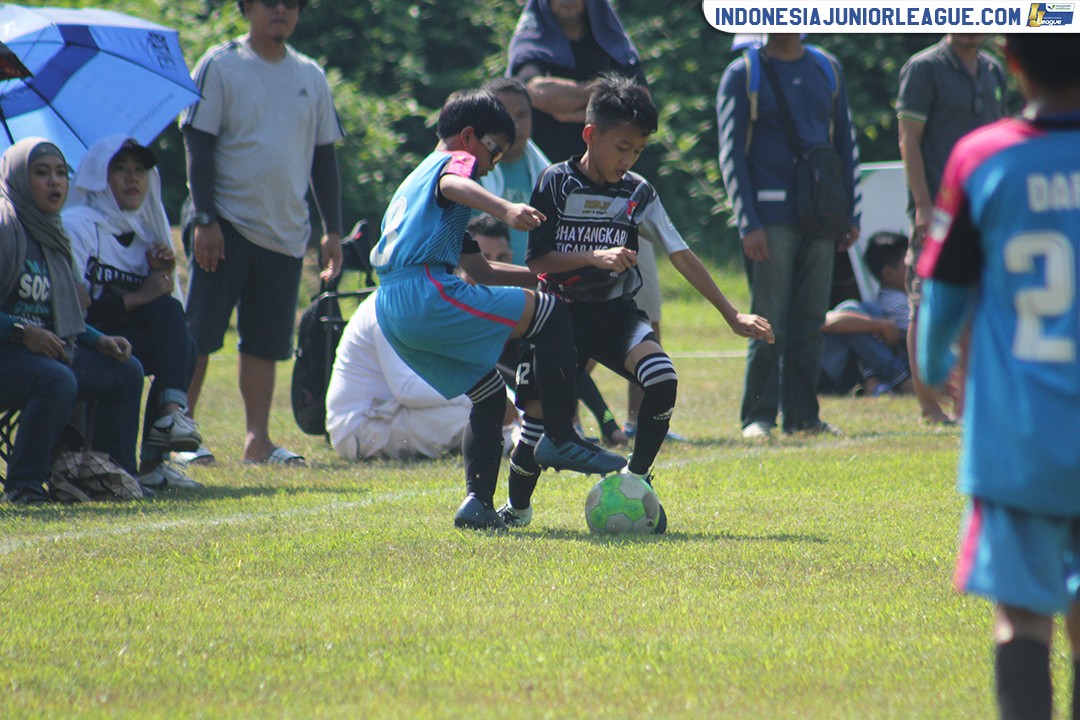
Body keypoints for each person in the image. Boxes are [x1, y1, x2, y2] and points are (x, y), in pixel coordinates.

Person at [500, 77, 773, 530]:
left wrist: (732, 314)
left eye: (638, 152)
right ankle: (518, 510)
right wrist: (594, 257)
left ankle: (638, 479)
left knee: (662, 378)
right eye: (621, 148)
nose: (627, 161)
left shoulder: (637, 191)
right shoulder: (555, 182)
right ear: (590, 135)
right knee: (536, 430)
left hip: (614, 316)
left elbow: (679, 252)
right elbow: (539, 262)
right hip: (558, 321)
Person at [369, 89, 625, 531]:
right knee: (552, 314)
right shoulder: (451, 165)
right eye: (494, 153)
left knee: (488, 398)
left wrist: (553, 276)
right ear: (469, 136)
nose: (492, 166)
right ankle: (561, 437)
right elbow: (456, 179)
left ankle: (477, 504)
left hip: (393, 311)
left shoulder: (417, 189)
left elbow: (481, 271)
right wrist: (506, 209)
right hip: (425, 291)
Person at [916, 35, 1080, 720]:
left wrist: (930, 369)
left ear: (1009, 61)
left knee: (1021, 620)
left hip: (1020, 439)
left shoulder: (983, 157)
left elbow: (946, 294)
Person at [180, 0, 344, 465]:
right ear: (246, 7)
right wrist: (205, 218)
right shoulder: (220, 64)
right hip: (226, 223)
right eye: (270, 3)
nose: (281, 11)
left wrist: (331, 230)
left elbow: (324, 157)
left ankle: (258, 440)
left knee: (266, 341)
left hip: (286, 229)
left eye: (290, 4)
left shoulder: (310, 75)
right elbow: (197, 141)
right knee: (201, 333)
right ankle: (179, 435)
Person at [508, 0, 663, 438]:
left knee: (641, 309)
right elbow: (539, 95)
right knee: (565, 321)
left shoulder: (613, 39)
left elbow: (640, 104)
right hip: (562, 204)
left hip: (619, 200)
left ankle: (641, 421)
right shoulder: (532, 42)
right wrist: (603, 96)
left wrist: (574, 101)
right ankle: (562, 423)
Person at [717, 33, 861, 439]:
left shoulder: (827, 67)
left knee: (811, 320)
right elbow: (731, 154)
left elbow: (844, 143)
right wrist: (748, 221)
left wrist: (850, 211)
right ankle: (758, 416)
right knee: (768, 319)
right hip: (770, 215)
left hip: (821, 214)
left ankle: (804, 416)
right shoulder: (743, 72)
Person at [477, 81, 628, 447]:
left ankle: (604, 424)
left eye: (524, 114)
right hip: (481, 290)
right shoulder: (471, 174)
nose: (515, 124)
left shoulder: (551, 174)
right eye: (506, 115)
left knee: (563, 354)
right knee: (512, 365)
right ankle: (549, 427)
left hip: (532, 286)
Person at [0, 138, 144, 504]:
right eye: (42, 173)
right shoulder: (5, 228)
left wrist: (98, 341)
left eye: (62, 173)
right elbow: (31, 326)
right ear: (18, 177)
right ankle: (25, 485)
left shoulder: (53, 234)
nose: (55, 182)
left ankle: (111, 477)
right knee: (57, 378)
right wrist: (21, 332)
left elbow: (60, 311)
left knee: (125, 371)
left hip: (42, 354)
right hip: (8, 355)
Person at [63, 136, 202, 490]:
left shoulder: (145, 232)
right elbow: (74, 308)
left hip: (120, 336)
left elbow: (161, 306)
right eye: (120, 170)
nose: (132, 179)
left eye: (139, 170)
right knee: (129, 363)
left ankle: (157, 455)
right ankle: (138, 455)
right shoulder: (77, 225)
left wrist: (159, 276)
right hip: (82, 339)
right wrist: (143, 294)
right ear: (98, 177)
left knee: (183, 342)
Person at [898, 33, 1008, 424]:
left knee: (980, 304)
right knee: (925, 303)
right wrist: (924, 206)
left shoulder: (994, 68)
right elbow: (908, 139)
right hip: (940, 211)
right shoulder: (924, 67)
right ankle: (929, 404)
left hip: (985, 209)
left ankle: (969, 403)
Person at [324, 291, 471, 461]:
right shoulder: (387, 309)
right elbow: (407, 389)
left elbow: (453, 372)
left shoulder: (416, 302)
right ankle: (507, 442)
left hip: (389, 413)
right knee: (479, 418)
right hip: (361, 427)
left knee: (483, 413)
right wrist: (474, 398)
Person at [819, 231, 913, 397]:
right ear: (889, 272)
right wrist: (881, 325)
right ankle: (896, 380)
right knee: (852, 311)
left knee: (862, 312)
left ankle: (875, 382)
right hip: (913, 369)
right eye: (909, 265)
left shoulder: (884, 303)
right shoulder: (897, 302)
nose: (916, 269)